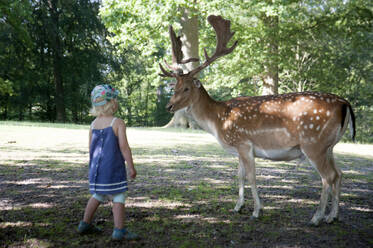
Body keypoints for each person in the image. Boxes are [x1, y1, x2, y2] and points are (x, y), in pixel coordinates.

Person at [77, 84, 138, 241]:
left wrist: (92, 168)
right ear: (112, 102)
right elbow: (124, 147)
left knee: (97, 194)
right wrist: (131, 166)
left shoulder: (93, 124)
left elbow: (91, 149)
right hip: (113, 168)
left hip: (97, 170)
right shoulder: (117, 123)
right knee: (118, 196)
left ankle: (85, 223)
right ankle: (119, 230)